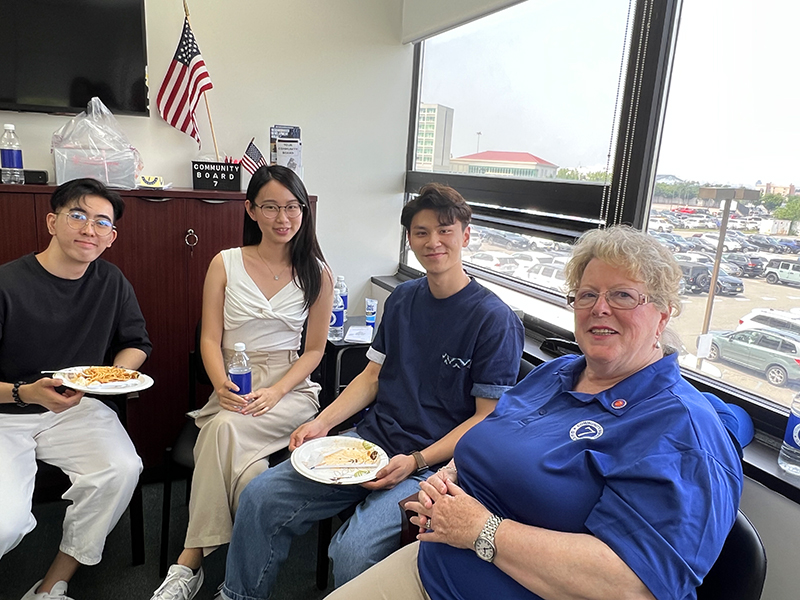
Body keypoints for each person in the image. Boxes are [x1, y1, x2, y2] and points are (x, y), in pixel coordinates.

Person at [326, 225, 744, 600]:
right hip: (432, 570)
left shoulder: (681, 430)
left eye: (623, 295)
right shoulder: (557, 372)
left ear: (663, 315)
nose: (600, 308)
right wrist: (451, 473)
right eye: (587, 294)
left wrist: (482, 531)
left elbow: (633, 586)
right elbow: (495, 433)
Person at [217, 183, 524, 600]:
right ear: (410, 240)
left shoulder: (494, 320)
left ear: (465, 235)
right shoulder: (403, 299)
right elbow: (371, 377)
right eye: (421, 233)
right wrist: (320, 422)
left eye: (445, 231)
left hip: (433, 466)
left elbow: (485, 419)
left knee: (351, 552)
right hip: (370, 443)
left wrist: (415, 459)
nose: (433, 242)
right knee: (259, 497)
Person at [152, 165, 333, 600]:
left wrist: (276, 391)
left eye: (292, 207)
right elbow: (210, 338)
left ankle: (188, 564)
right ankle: (237, 579)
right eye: (270, 206)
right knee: (249, 474)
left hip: (289, 388)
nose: (282, 217)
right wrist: (222, 386)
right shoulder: (225, 263)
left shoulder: (318, 273)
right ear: (251, 210)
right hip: (234, 378)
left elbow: (313, 352)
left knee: (222, 430)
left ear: (303, 212)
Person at [0, 178, 151, 600]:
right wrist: (24, 393)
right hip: (7, 412)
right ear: (52, 221)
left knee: (122, 469)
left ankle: (52, 583)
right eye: (78, 216)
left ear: (111, 238)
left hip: (76, 408)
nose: (89, 229)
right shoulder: (7, 283)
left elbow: (136, 344)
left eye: (102, 223)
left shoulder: (111, 282)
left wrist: (112, 376)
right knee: (5, 523)